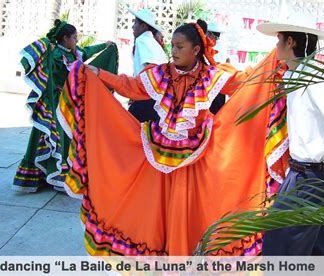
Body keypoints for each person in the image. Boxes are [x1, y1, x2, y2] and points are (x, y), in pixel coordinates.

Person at [58, 19, 288, 256]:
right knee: (153, 211)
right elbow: (131, 86)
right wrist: (98, 73)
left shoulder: (212, 75)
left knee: (192, 210)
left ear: (196, 50)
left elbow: (246, 83)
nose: (173, 51)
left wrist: (274, 63)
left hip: (198, 158)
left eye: (179, 47)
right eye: (172, 46)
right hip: (160, 156)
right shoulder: (160, 74)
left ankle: (186, 253)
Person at [256, 17, 324, 256]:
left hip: (310, 176)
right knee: (314, 249)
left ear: (290, 42)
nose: (276, 47)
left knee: (280, 248)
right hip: (301, 174)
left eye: (278, 40)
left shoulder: (317, 81)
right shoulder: (293, 78)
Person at [12, 19, 117, 193]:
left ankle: (58, 174)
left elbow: (88, 51)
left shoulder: (73, 52)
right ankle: (54, 176)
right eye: (74, 37)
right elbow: (51, 77)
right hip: (55, 102)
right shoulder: (54, 55)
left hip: (68, 101)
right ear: (64, 38)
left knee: (66, 136)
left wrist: (105, 46)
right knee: (58, 135)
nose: (76, 40)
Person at [127, 8, 169, 122]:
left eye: (135, 23)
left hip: (145, 95)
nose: (132, 26)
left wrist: (134, 89)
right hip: (156, 97)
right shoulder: (153, 43)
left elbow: (151, 67)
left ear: (143, 26)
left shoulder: (142, 40)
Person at [206, 22, 228, 114]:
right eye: (215, 35)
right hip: (208, 82)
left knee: (216, 110)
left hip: (218, 80)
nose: (216, 38)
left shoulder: (220, 46)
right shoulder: (206, 45)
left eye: (217, 36)